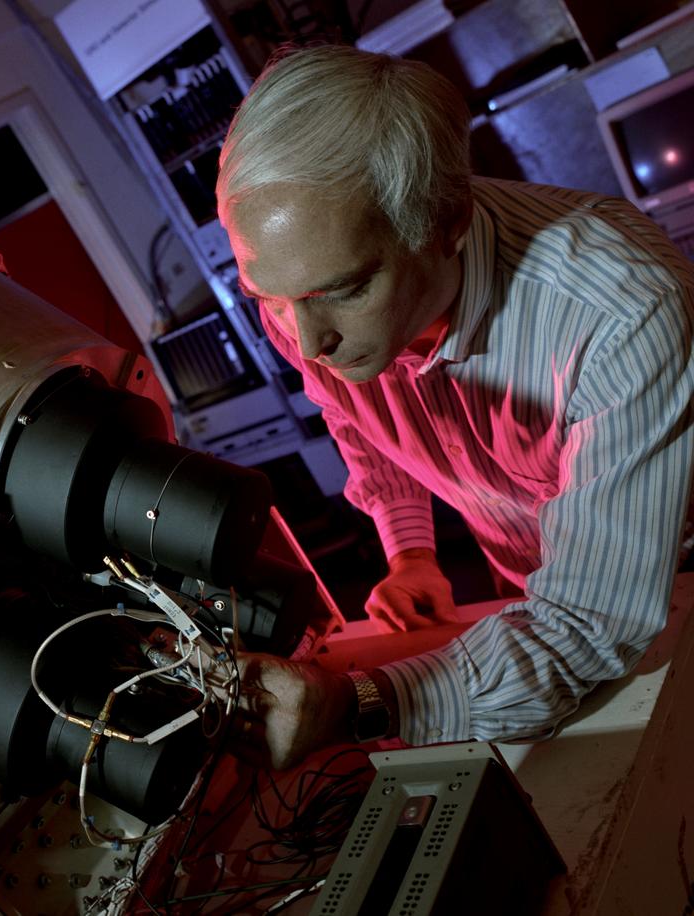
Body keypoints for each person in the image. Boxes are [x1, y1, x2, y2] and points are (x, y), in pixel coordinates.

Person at [215, 44, 694, 770]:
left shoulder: (622, 310)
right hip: (536, 603)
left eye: (341, 291)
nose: (308, 343)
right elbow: (363, 428)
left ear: (447, 222)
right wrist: (411, 552)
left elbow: (593, 619)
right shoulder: (302, 299)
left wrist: (361, 703)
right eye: (269, 301)